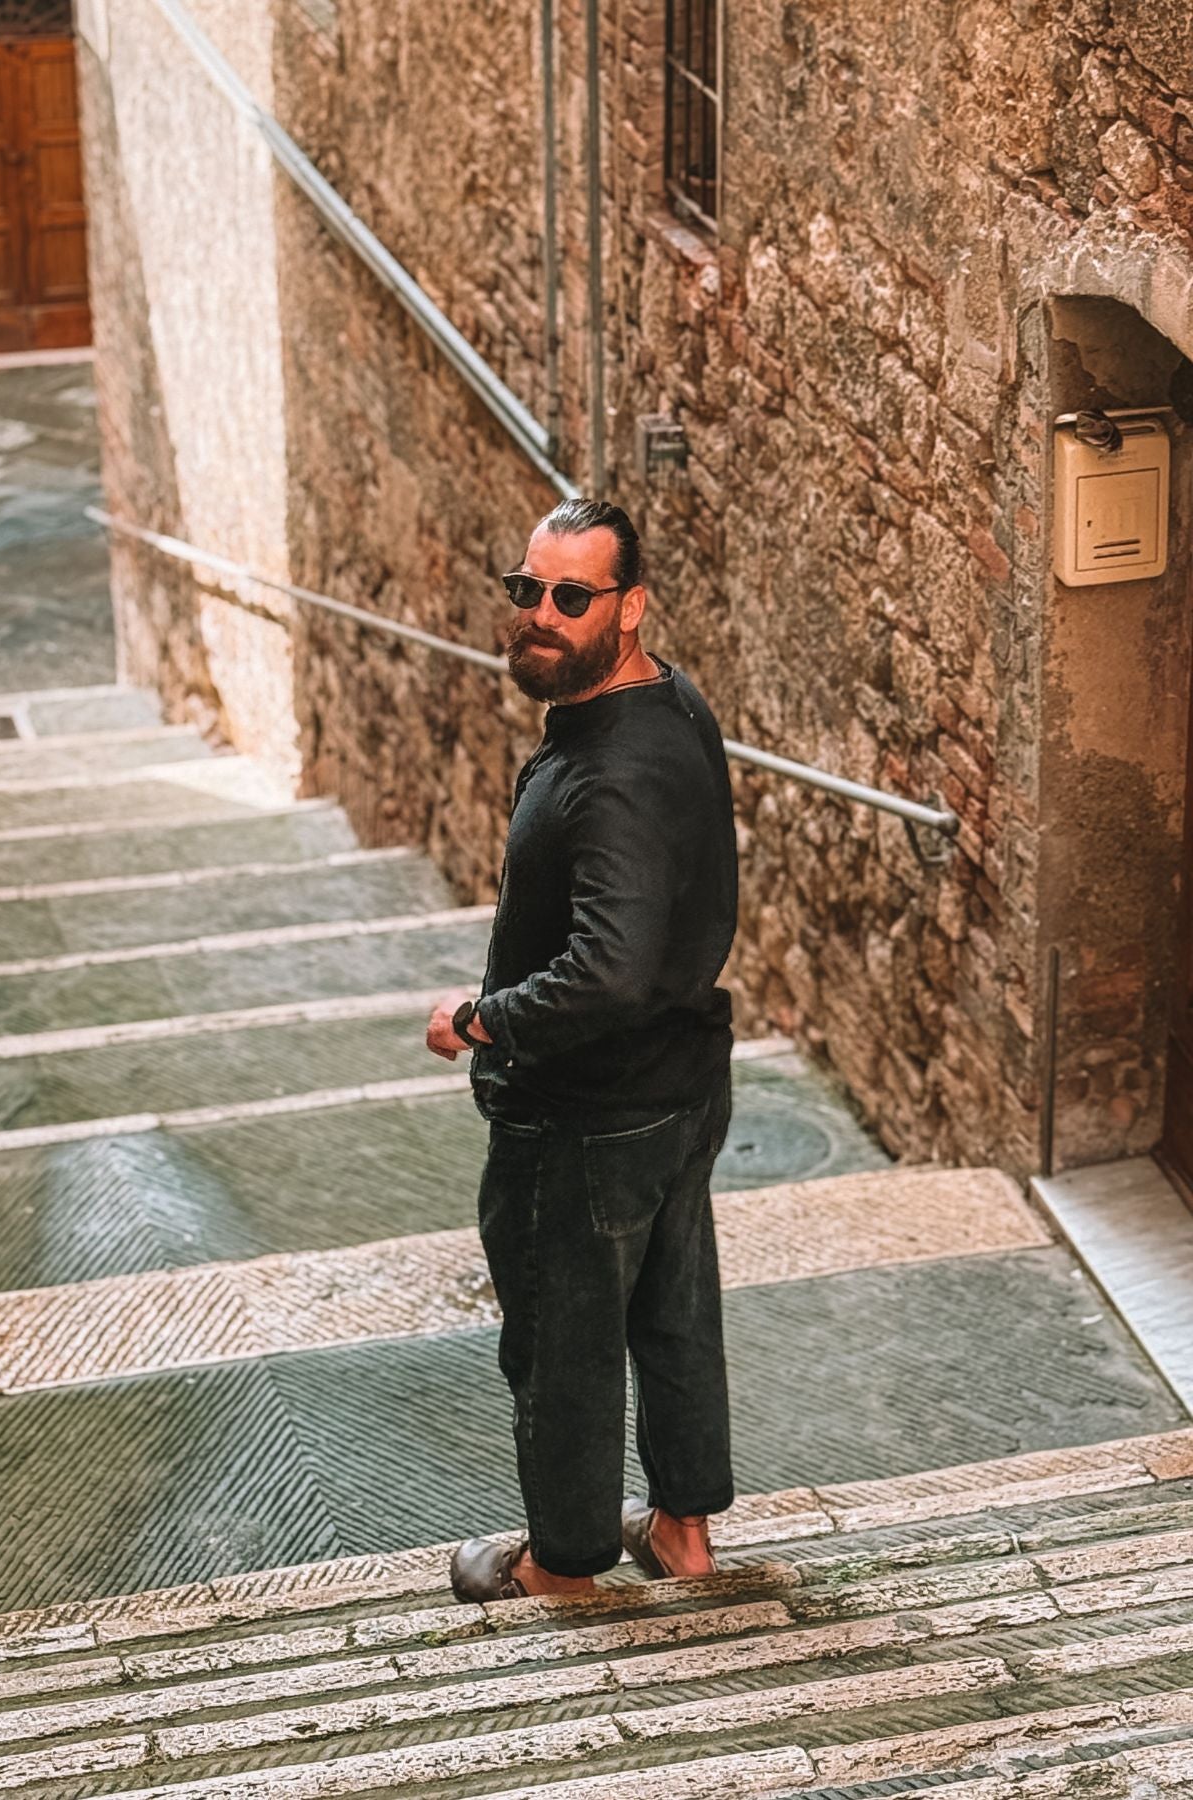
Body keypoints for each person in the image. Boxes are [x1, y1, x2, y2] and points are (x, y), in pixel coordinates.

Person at [426, 496, 738, 1602]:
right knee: (673, 1313)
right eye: (528, 590)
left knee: (562, 1345)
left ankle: (562, 1565)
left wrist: (480, 1019)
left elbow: (607, 968)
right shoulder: (669, 700)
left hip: (587, 1117)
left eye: (572, 596)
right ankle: (683, 1533)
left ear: (631, 605)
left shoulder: (611, 772)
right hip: (680, 1084)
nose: (541, 616)